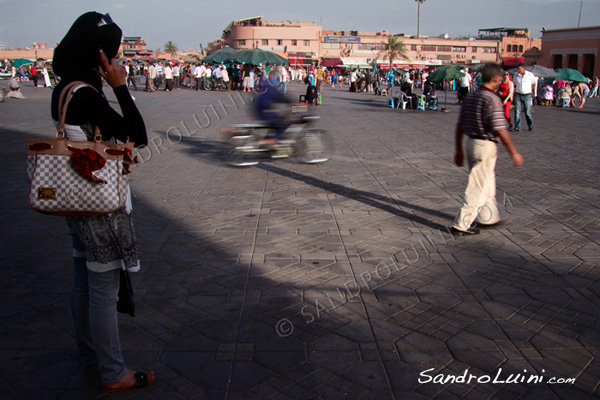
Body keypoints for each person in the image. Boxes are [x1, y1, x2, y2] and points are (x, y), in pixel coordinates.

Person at [50, 12, 156, 392]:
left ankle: (90, 358)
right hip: (99, 202)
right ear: (99, 56)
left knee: (83, 280)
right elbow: (138, 135)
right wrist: (121, 87)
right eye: (112, 55)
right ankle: (113, 372)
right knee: (102, 288)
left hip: (74, 197)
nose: (117, 61)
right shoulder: (88, 95)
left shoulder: (63, 88)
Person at [451, 63, 523, 236]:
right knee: (478, 186)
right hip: (484, 145)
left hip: (470, 143)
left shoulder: (472, 96)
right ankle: (461, 224)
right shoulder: (491, 98)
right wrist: (513, 151)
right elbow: (500, 128)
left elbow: (460, 125)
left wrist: (459, 150)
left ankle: (488, 217)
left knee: (487, 184)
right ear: (496, 78)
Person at [512, 63, 535, 131]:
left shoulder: (530, 75)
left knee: (527, 112)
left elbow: (533, 84)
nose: (518, 70)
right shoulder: (516, 75)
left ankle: (530, 124)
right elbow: (514, 84)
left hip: (527, 95)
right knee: (517, 112)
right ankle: (517, 127)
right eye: (517, 69)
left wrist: (530, 90)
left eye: (519, 69)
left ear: (523, 68)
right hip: (518, 94)